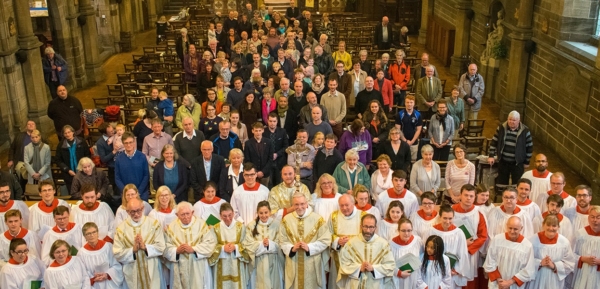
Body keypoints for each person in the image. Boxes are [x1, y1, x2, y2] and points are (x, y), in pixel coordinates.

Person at [278, 192, 331, 288]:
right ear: (292, 205)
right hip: (294, 262)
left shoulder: (318, 219)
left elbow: (325, 240)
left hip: (312, 263)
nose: (299, 207)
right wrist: (292, 249)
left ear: (307, 204)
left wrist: (310, 247)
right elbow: (282, 241)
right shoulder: (286, 220)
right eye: (296, 204)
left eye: (302, 204)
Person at [113, 198, 166, 289]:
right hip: (132, 270)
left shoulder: (153, 224)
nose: (136, 214)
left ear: (143, 208)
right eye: (132, 212)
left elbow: (161, 247)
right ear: (127, 212)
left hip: (152, 269)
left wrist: (145, 247)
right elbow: (117, 253)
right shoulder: (121, 229)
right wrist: (132, 250)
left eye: (138, 210)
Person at [164, 201, 216, 288]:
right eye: (182, 214)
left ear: (192, 212)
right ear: (177, 215)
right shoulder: (171, 227)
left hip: (198, 265)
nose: (186, 217)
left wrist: (194, 249)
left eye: (188, 214)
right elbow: (165, 247)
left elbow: (210, 243)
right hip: (179, 266)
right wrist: (176, 250)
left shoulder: (201, 224)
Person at [337, 213, 396, 288]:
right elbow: (344, 264)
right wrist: (359, 268)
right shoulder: (351, 244)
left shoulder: (384, 244)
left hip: (376, 284)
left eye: (371, 227)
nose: (368, 230)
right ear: (361, 226)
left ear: (375, 228)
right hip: (355, 284)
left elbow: (390, 266)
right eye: (365, 227)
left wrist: (373, 268)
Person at [452, 184, 489, 288]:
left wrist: (467, 250)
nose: (468, 198)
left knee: (469, 281)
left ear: (475, 197)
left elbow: (483, 236)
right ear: (460, 195)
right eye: (466, 195)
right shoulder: (451, 211)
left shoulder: (479, 213)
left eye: (471, 196)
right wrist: (460, 246)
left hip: (470, 253)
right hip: (453, 251)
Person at [425, 204, 470, 288]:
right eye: (445, 218)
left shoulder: (459, 233)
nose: (448, 221)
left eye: (450, 218)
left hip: (452, 272)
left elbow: (463, 253)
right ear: (440, 217)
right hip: (434, 270)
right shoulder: (431, 231)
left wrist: (456, 270)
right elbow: (425, 251)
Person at [484, 216, 536, 289]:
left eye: (515, 229)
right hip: (497, 284)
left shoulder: (527, 246)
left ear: (521, 228)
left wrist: (509, 283)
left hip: (514, 285)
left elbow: (528, 269)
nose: (512, 231)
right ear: (506, 226)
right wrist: (500, 281)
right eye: (510, 228)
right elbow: (490, 260)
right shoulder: (497, 239)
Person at [242, 201, 284, 288]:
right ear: (257, 213)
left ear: (270, 211)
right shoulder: (251, 226)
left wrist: (270, 244)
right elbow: (247, 243)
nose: (264, 215)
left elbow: (282, 241)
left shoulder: (277, 224)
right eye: (261, 213)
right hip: (257, 262)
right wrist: (261, 244)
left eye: (266, 212)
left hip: (274, 261)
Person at [529, 214, 577, 289]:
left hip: (555, 280)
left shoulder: (564, 242)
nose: (551, 228)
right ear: (543, 225)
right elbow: (526, 261)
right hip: (537, 278)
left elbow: (570, 263)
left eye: (554, 226)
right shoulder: (533, 240)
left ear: (558, 227)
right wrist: (540, 263)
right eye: (548, 225)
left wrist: (554, 266)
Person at [327, 194, 365, 286]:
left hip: (357, 258)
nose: (344, 208)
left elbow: (368, 235)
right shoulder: (334, 216)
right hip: (338, 256)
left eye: (347, 205)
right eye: (341, 205)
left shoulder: (363, 216)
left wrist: (351, 241)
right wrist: (337, 241)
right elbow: (327, 234)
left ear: (353, 203)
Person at [208, 202, 250, 288]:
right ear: (220, 215)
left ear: (233, 213)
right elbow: (210, 247)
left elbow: (247, 245)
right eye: (224, 216)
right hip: (220, 265)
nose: (228, 218)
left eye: (230, 215)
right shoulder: (215, 228)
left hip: (237, 264)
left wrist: (236, 247)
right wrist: (223, 248)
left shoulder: (241, 227)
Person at [488, 110, 533, 186]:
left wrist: (527, 162)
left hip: (517, 163)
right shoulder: (501, 128)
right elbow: (494, 142)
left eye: (514, 120)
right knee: (501, 183)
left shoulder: (525, 131)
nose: (511, 122)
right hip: (503, 161)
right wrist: (491, 156)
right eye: (510, 119)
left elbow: (529, 147)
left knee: (517, 184)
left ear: (519, 121)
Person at [78, 222, 124, 289]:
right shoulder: (81, 253)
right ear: (84, 236)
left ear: (98, 233)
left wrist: (107, 274)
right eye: (88, 234)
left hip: (109, 282)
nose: (92, 235)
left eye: (94, 232)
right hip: (94, 285)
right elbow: (82, 273)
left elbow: (117, 265)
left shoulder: (108, 246)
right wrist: (93, 279)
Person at [389, 218, 426, 288]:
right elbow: (387, 264)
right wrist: (399, 273)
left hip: (414, 280)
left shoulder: (418, 241)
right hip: (398, 280)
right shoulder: (391, 244)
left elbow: (421, 259)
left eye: (409, 230)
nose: (406, 234)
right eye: (403, 231)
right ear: (398, 230)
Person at [115, 132, 150, 200]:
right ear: (123, 143)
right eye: (126, 143)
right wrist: (127, 192)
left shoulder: (142, 157)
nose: (128, 145)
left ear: (134, 142)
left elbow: (146, 175)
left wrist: (138, 192)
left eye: (130, 142)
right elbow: (117, 178)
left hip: (141, 194)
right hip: (126, 195)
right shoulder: (119, 159)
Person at [571, 205, 600, 288]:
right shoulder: (580, 234)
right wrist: (582, 259)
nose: (595, 220)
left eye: (598, 217)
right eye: (592, 217)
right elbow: (570, 255)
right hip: (582, 274)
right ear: (588, 218)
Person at [55, 125, 90, 191]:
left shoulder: (81, 141)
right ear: (63, 134)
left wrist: (84, 167)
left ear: (73, 132)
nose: (68, 134)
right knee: (72, 192)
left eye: (69, 132)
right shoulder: (61, 145)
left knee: (84, 191)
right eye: (65, 133)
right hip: (68, 174)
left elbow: (87, 155)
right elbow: (58, 160)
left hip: (83, 172)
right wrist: (67, 170)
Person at [263, 112, 289, 184]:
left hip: (279, 162)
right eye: (270, 121)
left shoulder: (282, 131)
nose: (272, 123)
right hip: (267, 162)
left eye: (274, 121)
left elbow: (286, 147)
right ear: (267, 121)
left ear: (277, 121)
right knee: (269, 184)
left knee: (279, 183)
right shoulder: (263, 132)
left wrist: (277, 154)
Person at [395, 95, 423, 161]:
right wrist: (405, 140)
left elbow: (418, 130)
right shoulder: (399, 114)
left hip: (414, 142)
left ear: (414, 103)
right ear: (405, 103)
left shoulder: (418, 114)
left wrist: (412, 141)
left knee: (413, 160)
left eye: (411, 102)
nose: (409, 104)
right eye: (407, 102)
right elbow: (398, 129)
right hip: (402, 141)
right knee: (402, 159)